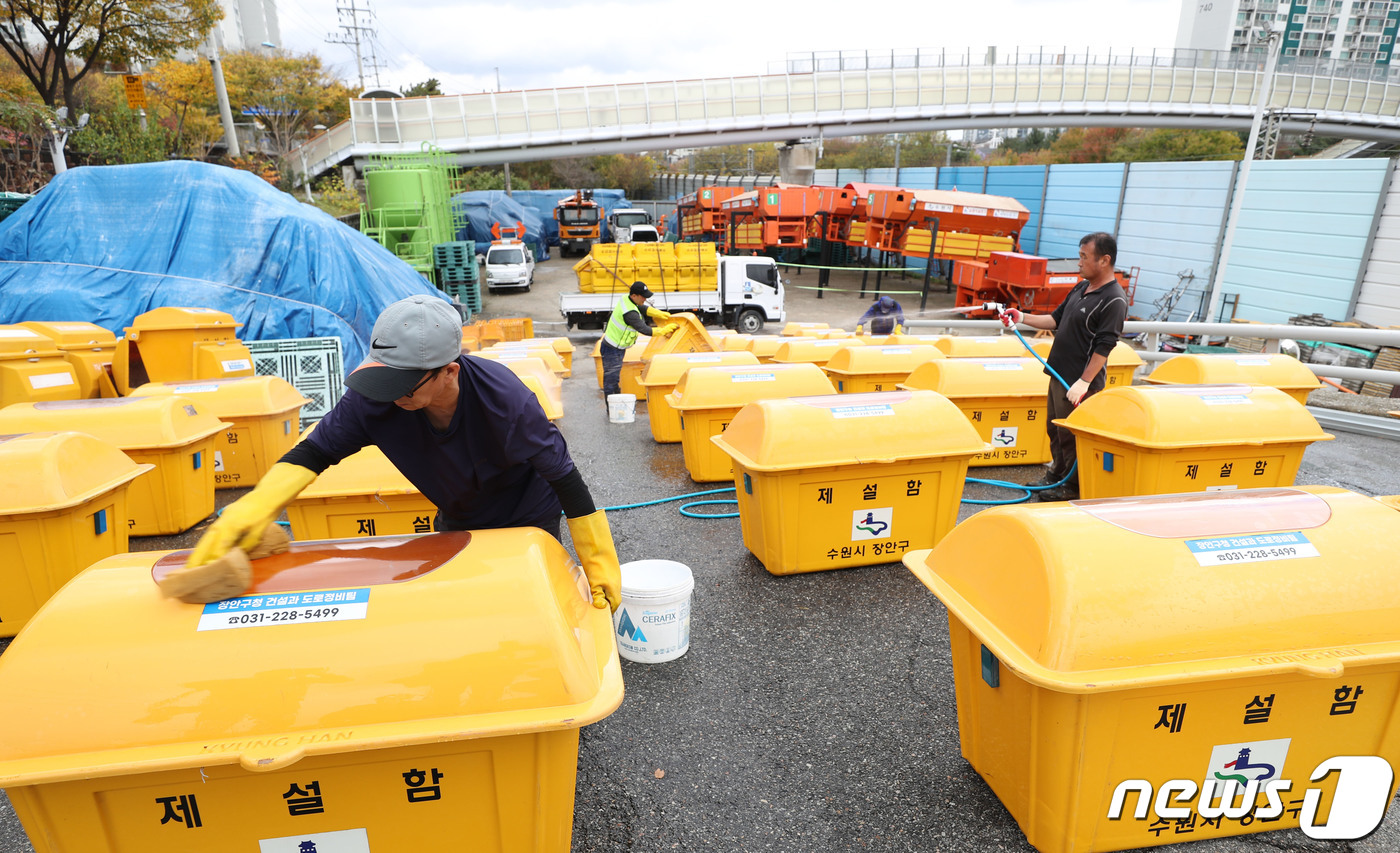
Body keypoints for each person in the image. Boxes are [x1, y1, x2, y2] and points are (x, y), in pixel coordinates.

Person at [186, 295, 623, 610]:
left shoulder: (507, 403)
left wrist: (597, 560)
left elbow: (564, 478)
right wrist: (252, 508)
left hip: (527, 511)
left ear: (448, 372)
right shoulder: (374, 398)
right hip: (458, 510)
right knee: (463, 601)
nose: (390, 397)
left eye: (403, 387)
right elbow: (313, 453)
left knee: (528, 601)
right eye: (383, 381)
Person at [999, 232, 1128, 502]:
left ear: (1104, 260)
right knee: (1055, 429)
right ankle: (1055, 476)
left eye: (1084, 257)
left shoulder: (1114, 299)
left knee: (1072, 434)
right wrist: (1021, 317)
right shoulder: (1081, 288)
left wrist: (1084, 382)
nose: (1078, 262)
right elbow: (1055, 320)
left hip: (1080, 382)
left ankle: (1071, 486)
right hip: (1059, 374)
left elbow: (1105, 345)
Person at [600, 281, 675, 402]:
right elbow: (644, 329)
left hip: (615, 347)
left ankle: (615, 403)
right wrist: (663, 330)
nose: (645, 299)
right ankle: (613, 408)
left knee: (613, 379)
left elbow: (641, 307)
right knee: (611, 380)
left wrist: (658, 313)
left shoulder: (627, 299)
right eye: (643, 296)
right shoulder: (629, 313)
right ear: (634, 295)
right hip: (612, 349)